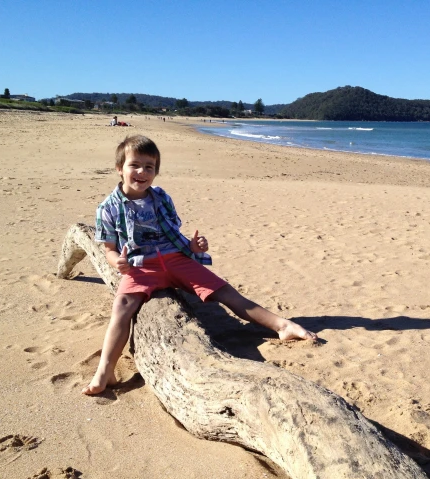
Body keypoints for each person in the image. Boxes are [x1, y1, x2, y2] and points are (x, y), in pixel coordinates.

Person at [82, 135, 317, 395]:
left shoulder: (161, 198)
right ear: (119, 169)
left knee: (226, 292)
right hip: (142, 266)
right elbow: (109, 250)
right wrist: (120, 264)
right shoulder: (108, 208)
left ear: (156, 172)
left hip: (176, 259)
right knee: (122, 307)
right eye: (134, 165)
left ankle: (282, 326)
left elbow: (174, 232)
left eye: (149, 167)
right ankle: (105, 370)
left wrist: (193, 248)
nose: (142, 172)